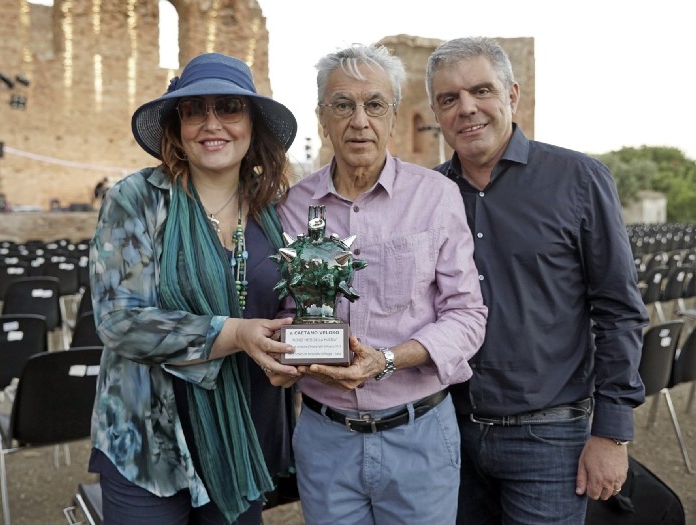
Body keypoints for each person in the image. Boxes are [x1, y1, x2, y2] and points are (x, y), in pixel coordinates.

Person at [425, 37, 648, 524]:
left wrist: (611, 433)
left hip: (549, 440)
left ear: (512, 95)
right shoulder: (428, 195)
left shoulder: (579, 179)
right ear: (437, 113)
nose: (466, 108)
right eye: (448, 99)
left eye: (481, 90)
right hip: (446, 435)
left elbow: (619, 310)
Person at [272, 43, 488, 524]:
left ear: (393, 116)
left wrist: (387, 360)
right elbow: (286, 308)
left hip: (419, 436)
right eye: (342, 105)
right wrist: (282, 354)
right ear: (322, 117)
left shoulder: (436, 197)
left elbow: (468, 316)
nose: (359, 120)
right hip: (326, 440)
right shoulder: (289, 206)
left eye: (374, 105)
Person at [87, 52, 302, 525]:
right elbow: (119, 320)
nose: (211, 123)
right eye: (193, 109)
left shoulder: (272, 209)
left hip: (241, 435)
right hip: (151, 441)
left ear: (252, 123)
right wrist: (236, 334)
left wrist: (297, 349)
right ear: (177, 125)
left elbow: (288, 302)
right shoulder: (137, 198)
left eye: (228, 106)